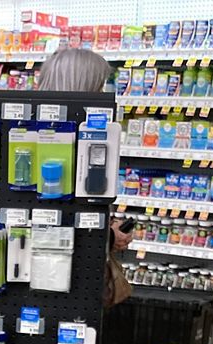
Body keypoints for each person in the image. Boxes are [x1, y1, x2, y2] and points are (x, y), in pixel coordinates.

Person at [36, 48, 132, 304]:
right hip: (60, 277)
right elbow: (59, 218)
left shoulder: (38, 130)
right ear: (82, 86)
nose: (102, 95)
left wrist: (107, 232)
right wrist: (109, 236)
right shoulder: (69, 141)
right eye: (99, 87)